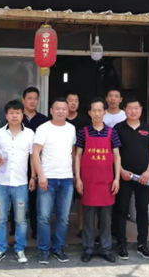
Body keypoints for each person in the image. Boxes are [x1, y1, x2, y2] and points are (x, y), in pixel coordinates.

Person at [0, 100, 36, 264]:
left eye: (18, 113)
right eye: (11, 113)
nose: (15, 116)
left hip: (21, 183)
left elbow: (33, 157)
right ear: (6, 115)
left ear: (22, 115)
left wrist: (33, 176)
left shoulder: (29, 134)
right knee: (1, 218)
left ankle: (20, 248)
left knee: (21, 219)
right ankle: (0, 249)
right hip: (2, 183)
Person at [74, 98, 122, 263]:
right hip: (88, 182)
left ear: (104, 112)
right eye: (93, 110)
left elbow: (117, 156)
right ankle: (88, 248)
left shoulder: (112, 132)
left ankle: (105, 248)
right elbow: (78, 156)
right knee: (88, 218)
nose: (97, 113)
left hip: (107, 181)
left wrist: (117, 178)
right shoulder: (83, 132)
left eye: (100, 110)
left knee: (106, 219)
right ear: (89, 113)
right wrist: (78, 178)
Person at [32, 98, 76, 264]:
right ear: (51, 110)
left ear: (68, 111)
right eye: (57, 108)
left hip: (66, 180)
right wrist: (40, 175)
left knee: (63, 217)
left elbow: (73, 153)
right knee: (43, 216)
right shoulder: (43, 128)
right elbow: (35, 153)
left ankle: (58, 248)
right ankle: (43, 250)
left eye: (64, 109)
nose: (61, 111)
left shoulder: (71, 128)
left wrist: (73, 173)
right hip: (47, 179)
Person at [114, 96, 149, 260]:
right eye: (130, 108)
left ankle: (142, 244)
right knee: (121, 210)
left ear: (141, 110)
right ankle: (121, 244)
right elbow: (114, 153)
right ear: (124, 110)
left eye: (136, 108)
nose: (133, 111)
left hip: (143, 178)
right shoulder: (118, 128)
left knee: (142, 210)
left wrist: (148, 172)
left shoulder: (148, 128)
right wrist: (121, 171)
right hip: (124, 176)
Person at [14, 87, 49, 239]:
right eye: (29, 98)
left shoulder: (44, 121)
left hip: (38, 165)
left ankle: (36, 230)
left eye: (35, 98)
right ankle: (14, 231)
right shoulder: (17, 118)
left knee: (36, 200)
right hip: (18, 164)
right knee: (17, 199)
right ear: (23, 100)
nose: (33, 101)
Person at [65, 90, 90, 237]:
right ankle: (64, 227)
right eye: (70, 100)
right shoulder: (59, 119)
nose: (73, 103)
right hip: (62, 163)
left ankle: (81, 226)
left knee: (80, 197)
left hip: (81, 161)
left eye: (76, 101)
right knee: (64, 198)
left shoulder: (85, 120)